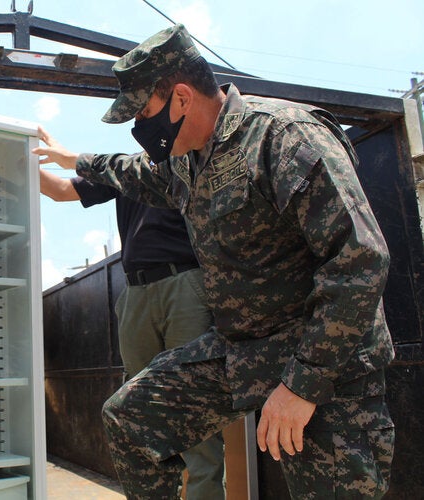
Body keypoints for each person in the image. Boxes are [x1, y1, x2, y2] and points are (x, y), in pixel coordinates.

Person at [34, 24, 394, 500]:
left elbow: (361, 259)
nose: (139, 127)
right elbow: (128, 171)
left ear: (182, 98)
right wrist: (74, 159)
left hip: (324, 355)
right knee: (131, 419)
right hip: (245, 348)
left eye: (143, 112)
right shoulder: (188, 161)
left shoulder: (284, 135)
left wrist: (303, 384)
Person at [37, 134, 225, 498]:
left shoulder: (191, 156)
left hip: (186, 284)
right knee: (138, 410)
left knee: (193, 408)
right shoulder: (125, 169)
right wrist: (16, 154)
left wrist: (73, 156)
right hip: (136, 293)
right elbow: (59, 190)